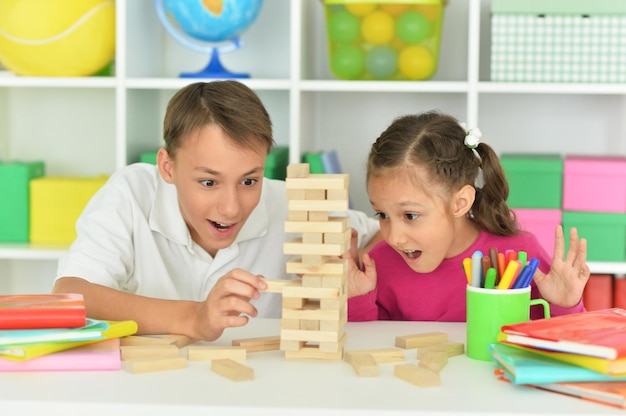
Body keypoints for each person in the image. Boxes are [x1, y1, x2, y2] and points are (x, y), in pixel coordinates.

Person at [53, 80, 380, 341]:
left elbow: (380, 233)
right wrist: (194, 318)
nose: (231, 207)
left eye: (249, 181)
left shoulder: (295, 204)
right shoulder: (131, 192)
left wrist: (344, 273)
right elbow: (71, 296)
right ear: (168, 167)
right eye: (209, 183)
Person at [347, 111, 589, 322]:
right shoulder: (379, 265)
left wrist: (565, 306)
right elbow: (366, 353)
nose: (394, 237)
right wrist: (355, 299)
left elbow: (565, 348)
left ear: (460, 203)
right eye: (382, 214)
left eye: (410, 215)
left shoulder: (520, 254)